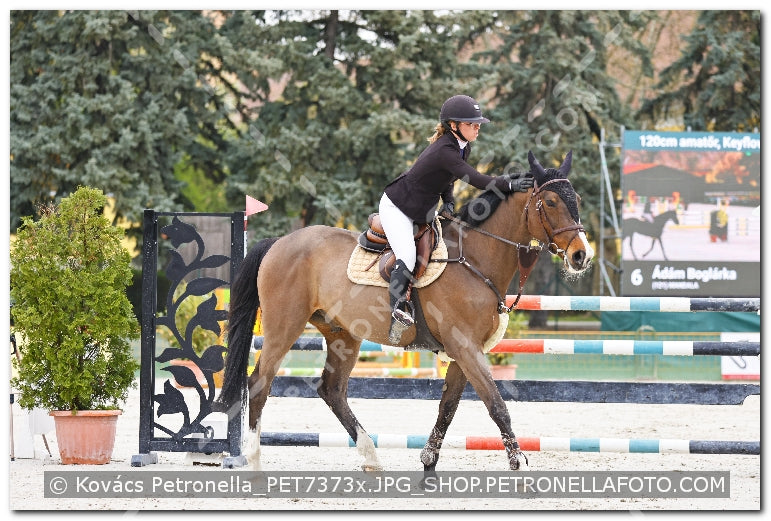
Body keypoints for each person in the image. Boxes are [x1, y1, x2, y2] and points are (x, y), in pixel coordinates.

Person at [379, 94, 534, 343]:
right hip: (397, 208)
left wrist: (448, 201)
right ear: (453, 125)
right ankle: (397, 312)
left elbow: (447, 178)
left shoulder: (462, 146)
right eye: (471, 123)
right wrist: (510, 184)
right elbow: (476, 179)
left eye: (478, 123)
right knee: (407, 255)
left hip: (421, 210)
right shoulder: (445, 150)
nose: (477, 127)